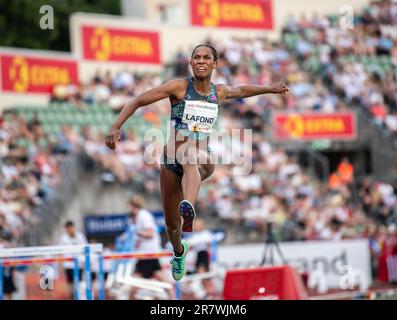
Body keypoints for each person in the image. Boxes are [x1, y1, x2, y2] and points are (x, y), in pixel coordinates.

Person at [105, 44, 289, 281]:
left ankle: (188, 207)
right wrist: (115, 126)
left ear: (215, 64)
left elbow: (241, 89)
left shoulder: (218, 92)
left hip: (202, 160)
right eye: (196, 57)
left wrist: (270, 89)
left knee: (191, 155)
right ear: (191, 63)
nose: (201, 60)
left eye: (206, 57)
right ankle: (179, 252)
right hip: (171, 162)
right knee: (172, 227)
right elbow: (137, 101)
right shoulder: (179, 87)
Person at [127, 195, 173, 299]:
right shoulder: (138, 217)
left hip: (148, 253)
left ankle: (172, 296)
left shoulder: (143, 215)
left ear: (132, 205)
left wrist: (137, 232)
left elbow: (150, 233)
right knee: (159, 276)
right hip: (145, 254)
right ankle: (172, 296)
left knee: (136, 281)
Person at [58, 220, 88, 299]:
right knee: (70, 285)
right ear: (66, 229)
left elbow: (86, 249)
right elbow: (60, 252)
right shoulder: (63, 238)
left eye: (71, 228)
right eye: (68, 228)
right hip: (69, 265)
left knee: (80, 284)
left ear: (74, 227)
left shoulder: (80, 236)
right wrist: (61, 264)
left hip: (79, 264)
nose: (70, 230)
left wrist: (85, 262)